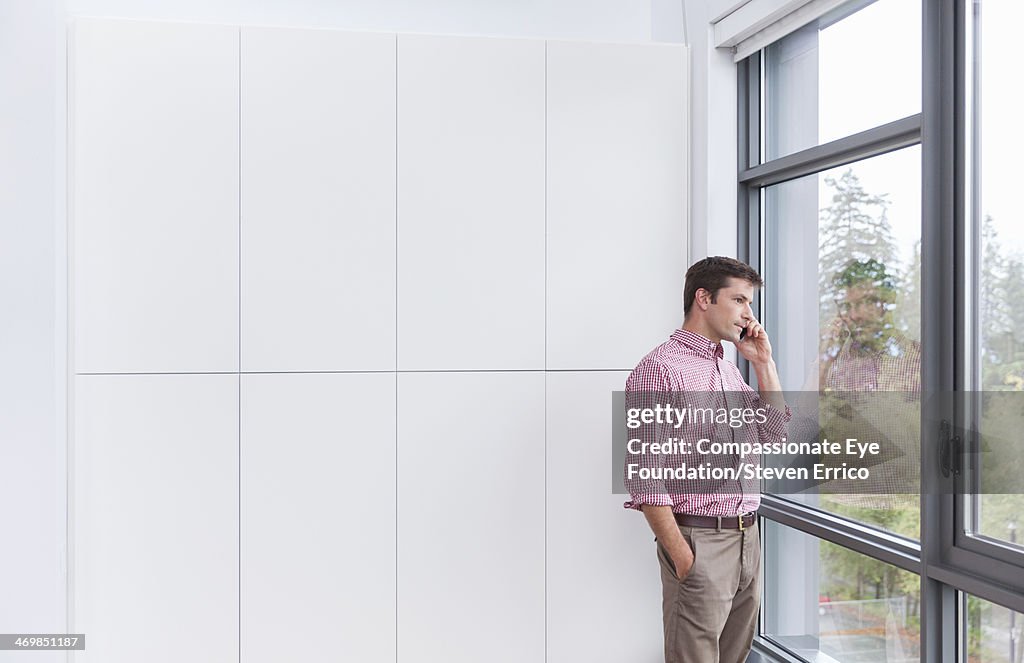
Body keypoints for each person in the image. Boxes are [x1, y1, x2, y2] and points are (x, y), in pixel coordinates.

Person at [624, 256, 790, 663]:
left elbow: (776, 433)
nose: (748, 314)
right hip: (700, 541)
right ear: (704, 298)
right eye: (739, 301)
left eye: (749, 303)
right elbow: (646, 478)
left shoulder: (728, 370)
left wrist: (764, 364)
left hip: (747, 540)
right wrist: (682, 555)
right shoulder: (659, 370)